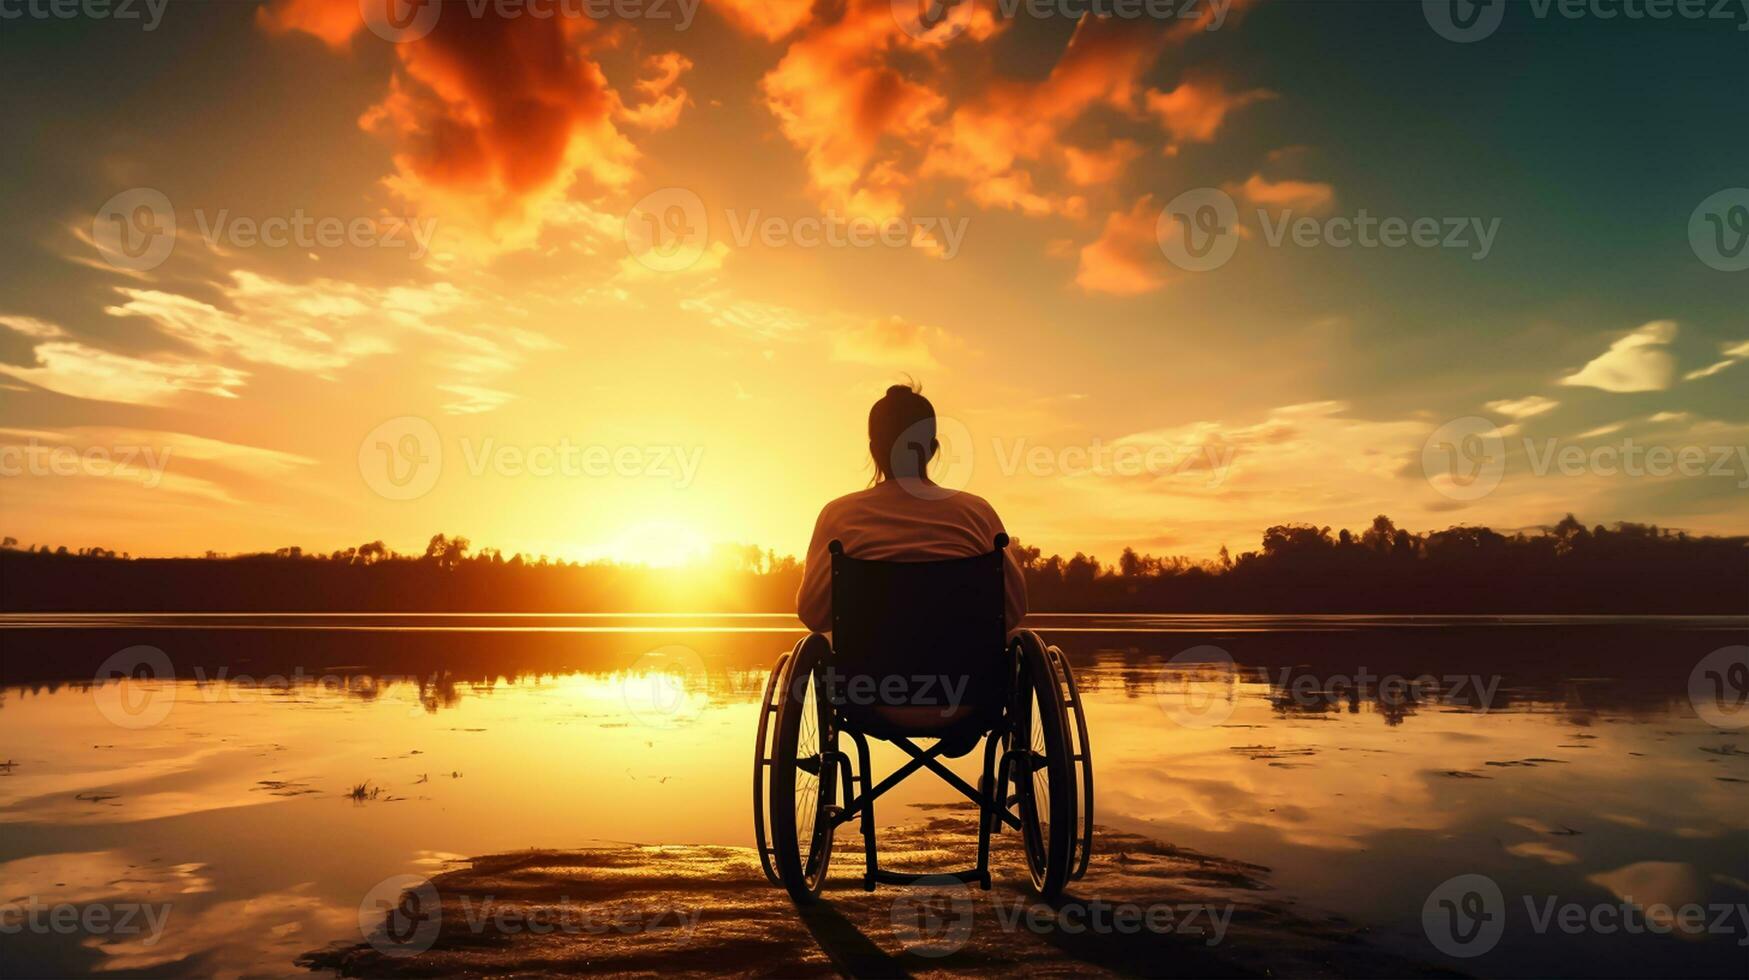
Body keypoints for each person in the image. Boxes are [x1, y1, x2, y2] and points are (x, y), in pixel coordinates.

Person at [796, 383, 1027, 634]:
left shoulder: (839, 516)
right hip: (967, 671)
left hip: (868, 672)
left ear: (874, 450)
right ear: (932, 449)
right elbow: (1012, 611)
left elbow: (813, 614)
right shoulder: (977, 514)